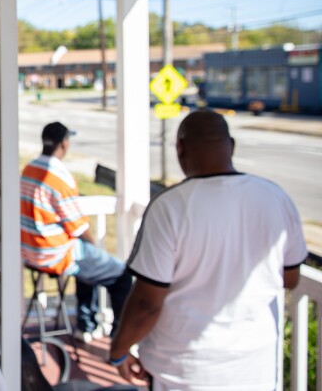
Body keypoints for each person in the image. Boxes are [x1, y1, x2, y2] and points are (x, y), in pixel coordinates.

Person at [109, 110, 307, 390]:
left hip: (185, 370)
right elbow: (290, 278)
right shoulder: (275, 197)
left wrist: (119, 350)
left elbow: (146, 303)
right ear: (232, 146)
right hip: (256, 366)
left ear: (180, 148)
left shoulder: (170, 207)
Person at [21, 121, 132, 341]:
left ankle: (86, 324)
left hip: (30, 252)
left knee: (89, 267)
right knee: (122, 275)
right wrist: (92, 245)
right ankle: (121, 337)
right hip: (54, 254)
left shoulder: (29, 169)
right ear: (63, 143)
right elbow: (78, 226)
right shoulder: (59, 177)